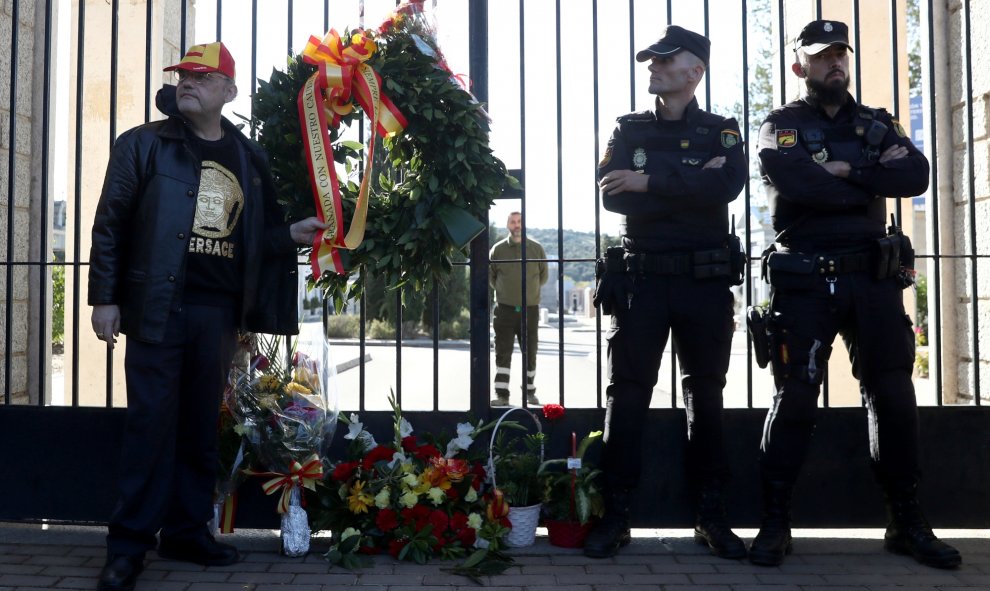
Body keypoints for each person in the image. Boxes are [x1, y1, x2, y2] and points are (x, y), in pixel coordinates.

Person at [89, 42, 327, 591]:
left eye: (202, 76)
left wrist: (289, 236)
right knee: (150, 426)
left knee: (200, 428)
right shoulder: (142, 144)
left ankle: (187, 532)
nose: (188, 82)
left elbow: (253, 238)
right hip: (155, 308)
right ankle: (127, 546)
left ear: (228, 91)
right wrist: (105, 296)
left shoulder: (246, 155)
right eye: (183, 75)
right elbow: (111, 223)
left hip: (217, 315)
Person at [751, 20, 961, 569]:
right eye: (821, 57)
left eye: (840, 54)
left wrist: (845, 169)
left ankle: (906, 520)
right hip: (804, 282)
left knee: (892, 397)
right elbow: (794, 181)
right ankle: (775, 521)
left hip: (871, 279)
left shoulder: (876, 123)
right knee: (795, 396)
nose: (834, 63)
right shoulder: (780, 124)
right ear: (800, 66)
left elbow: (915, 174)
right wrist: (866, 174)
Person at [586, 26, 747, 559]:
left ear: (694, 71)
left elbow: (725, 187)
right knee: (627, 394)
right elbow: (612, 192)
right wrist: (689, 179)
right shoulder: (628, 129)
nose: (652, 67)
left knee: (707, 393)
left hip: (703, 282)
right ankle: (616, 515)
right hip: (644, 281)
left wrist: (650, 182)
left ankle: (712, 515)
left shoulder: (723, 132)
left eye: (664, 59)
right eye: (650, 60)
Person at [489, 211, 549, 406]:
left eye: (519, 222)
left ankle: (529, 393)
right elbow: (491, 277)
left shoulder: (536, 249)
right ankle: (502, 395)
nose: (516, 225)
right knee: (502, 353)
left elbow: (543, 277)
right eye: (513, 222)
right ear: (507, 225)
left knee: (530, 353)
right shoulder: (497, 250)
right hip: (504, 310)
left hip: (529, 310)